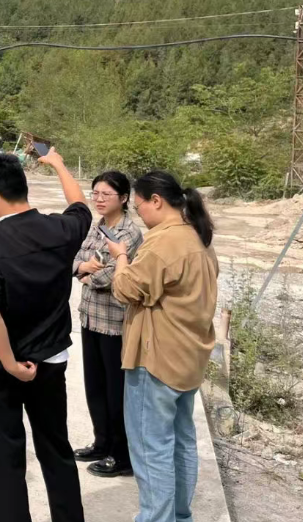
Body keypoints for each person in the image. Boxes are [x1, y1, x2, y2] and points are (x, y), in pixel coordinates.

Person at [0, 149, 90, 522]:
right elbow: (81, 206)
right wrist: (59, 165)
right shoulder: (61, 230)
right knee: (56, 448)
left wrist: (10, 364)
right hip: (51, 360)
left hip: (2, 368)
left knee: (3, 457)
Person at [105, 171, 219, 522]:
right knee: (181, 441)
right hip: (188, 357)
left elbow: (126, 289)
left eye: (139, 206)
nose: (139, 214)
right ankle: (179, 516)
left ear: (156, 201)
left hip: (156, 359)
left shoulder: (163, 242)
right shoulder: (198, 236)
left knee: (151, 447)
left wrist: (120, 257)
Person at [72, 171, 143, 478]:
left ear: (124, 198)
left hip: (115, 322)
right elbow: (75, 259)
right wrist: (82, 268)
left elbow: (112, 274)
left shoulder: (130, 233)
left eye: (106, 194)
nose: (99, 199)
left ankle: (121, 454)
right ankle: (101, 443)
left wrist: (88, 274)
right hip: (90, 316)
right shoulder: (96, 225)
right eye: (95, 193)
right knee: (95, 386)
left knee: (116, 392)